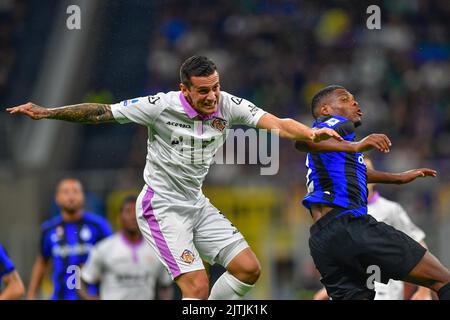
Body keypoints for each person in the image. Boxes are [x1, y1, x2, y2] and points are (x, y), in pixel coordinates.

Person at [7, 55, 343, 300]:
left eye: (215, 88)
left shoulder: (228, 105)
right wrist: (49, 112)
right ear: (184, 89)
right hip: (161, 207)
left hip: (196, 203)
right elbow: (101, 113)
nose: (212, 97)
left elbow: (280, 124)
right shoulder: (160, 106)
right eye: (203, 91)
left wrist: (313, 136)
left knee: (248, 269)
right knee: (196, 287)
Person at [295, 84, 450, 300]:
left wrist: (399, 178)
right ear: (325, 110)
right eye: (344, 99)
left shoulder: (334, 149)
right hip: (348, 224)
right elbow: (303, 141)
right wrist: (357, 146)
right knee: (442, 279)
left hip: (323, 241)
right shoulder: (339, 126)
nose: (354, 102)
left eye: (353, 98)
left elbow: (358, 171)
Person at [313, 157, 432, 300]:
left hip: (385, 292)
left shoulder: (390, 210)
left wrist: (424, 291)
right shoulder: (339, 211)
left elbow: (419, 244)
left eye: (366, 172)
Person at [26, 178, 113, 300]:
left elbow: (113, 259)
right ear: (57, 198)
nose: (71, 196)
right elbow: (41, 262)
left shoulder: (99, 226)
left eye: (76, 191)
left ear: (83, 196)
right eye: (66, 192)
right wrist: (31, 295)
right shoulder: (48, 229)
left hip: (94, 296)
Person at [80, 196, 173, 300]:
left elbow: (165, 285)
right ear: (120, 217)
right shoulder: (104, 248)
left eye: (137, 211)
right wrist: (89, 298)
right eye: (128, 212)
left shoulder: (156, 250)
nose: (133, 216)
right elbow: (83, 279)